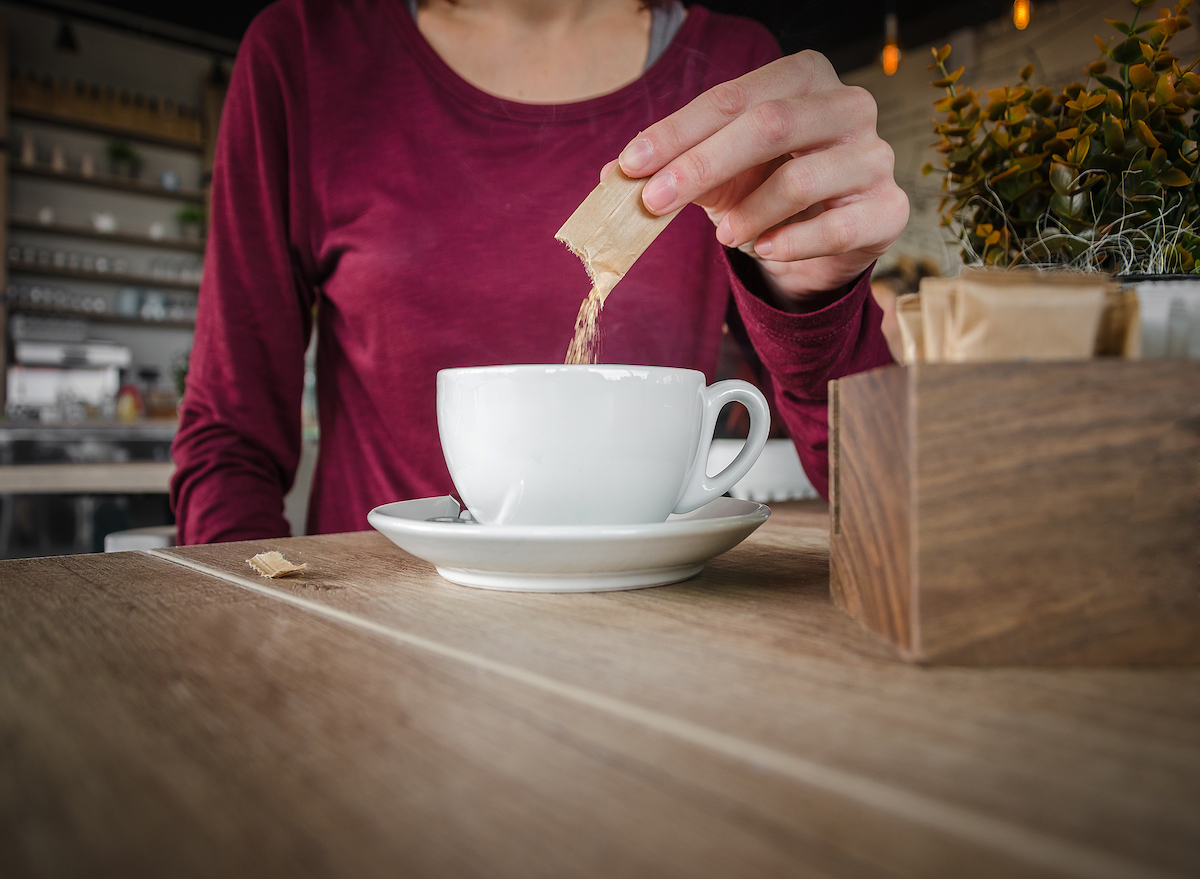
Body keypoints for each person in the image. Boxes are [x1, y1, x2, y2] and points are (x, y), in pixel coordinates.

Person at [170, 0, 908, 543]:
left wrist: (819, 301)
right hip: (377, 648)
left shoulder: (734, 84)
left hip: (657, 645)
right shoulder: (305, 55)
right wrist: (267, 628)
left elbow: (881, 497)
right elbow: (226, 440)